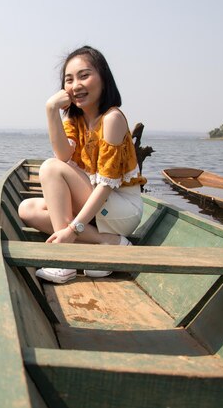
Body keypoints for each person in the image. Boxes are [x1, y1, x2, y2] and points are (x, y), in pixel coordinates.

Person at [18, 46, 146, 284]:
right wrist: (51, 110)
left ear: (103, 79)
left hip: (122, 210)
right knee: (27, 209)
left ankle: (65, 260)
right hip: (100, 208)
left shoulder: (112, 119)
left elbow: (106, 185)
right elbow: (63, 154)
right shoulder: (76, 120)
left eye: (84, 75)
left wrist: (73, 229)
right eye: (69, 79)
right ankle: (107, 242)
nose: (76, 85)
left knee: (50, 168)